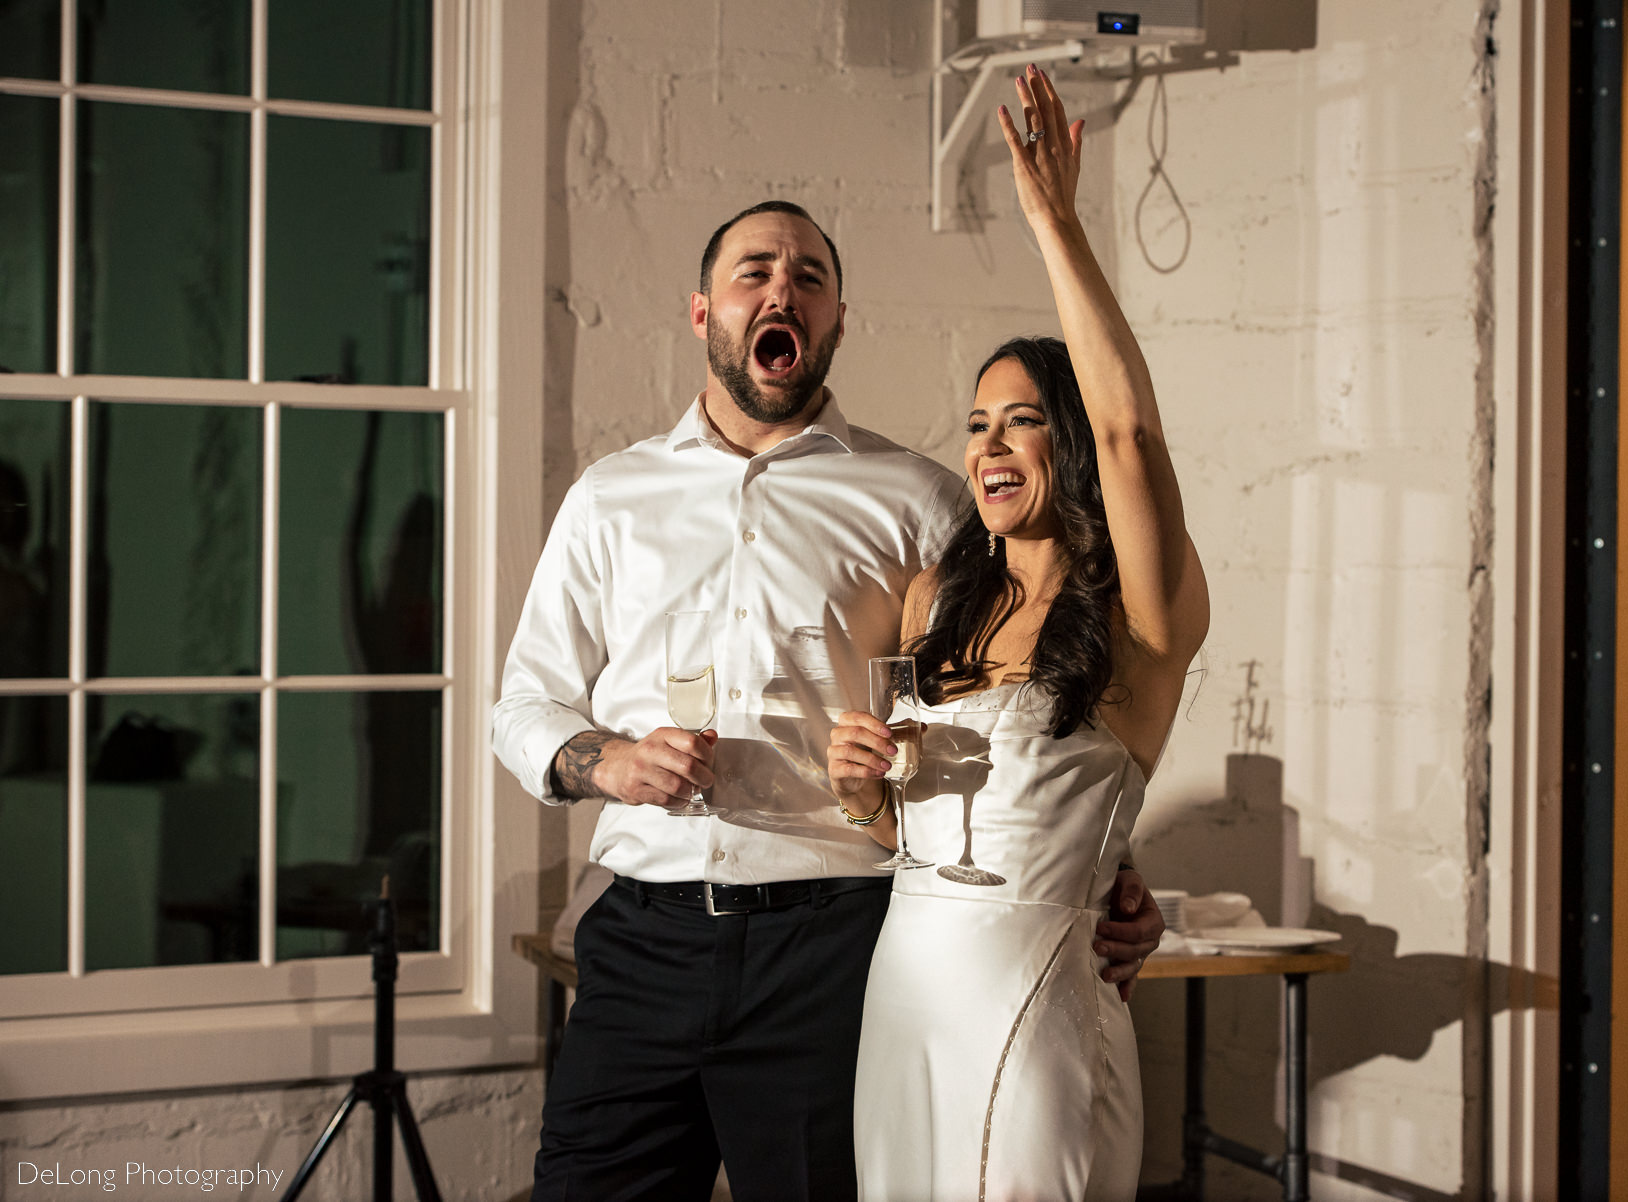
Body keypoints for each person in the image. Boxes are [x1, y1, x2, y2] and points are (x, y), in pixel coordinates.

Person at [491, 197, 1167, 1202]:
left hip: (834, 946)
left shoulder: (923, 498)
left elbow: (1014, 695)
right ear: (701, 313)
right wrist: (607, 759)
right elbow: (523, 704)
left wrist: (1103, 865)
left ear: (838, 319)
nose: (782, 290)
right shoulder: (608, 496)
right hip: (642, 937)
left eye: (809, 276)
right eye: (754, 271)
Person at [828, 66, 1210, 1200]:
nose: (991, 444)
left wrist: (1054, 221)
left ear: (1072, 443)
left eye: (1025, 420)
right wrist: (860, 792)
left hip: (1035, 1001)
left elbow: (1134, 430)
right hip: (902, 989)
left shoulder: (1145, 614)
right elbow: (896, 822)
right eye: (978, 423)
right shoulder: (937, 601)